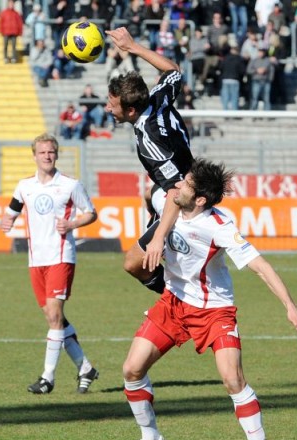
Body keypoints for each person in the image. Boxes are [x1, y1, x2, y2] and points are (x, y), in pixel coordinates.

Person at [117, 157, 297, 440]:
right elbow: (159, 201)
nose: (177, 186)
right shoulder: (171, 198)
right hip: (174, 303)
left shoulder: (219, 226)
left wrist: (290, 307)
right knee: (131, 369)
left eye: (186, 184)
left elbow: (260, 266)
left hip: (214, 310)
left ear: (201, 200)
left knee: (232, 379)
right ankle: (151, 438)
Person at [0, 134, 99, 395]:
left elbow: (91, 212)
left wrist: (73, 224)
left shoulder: (70, 185)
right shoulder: (24, 186)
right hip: (36, 259)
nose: (47, 156)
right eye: (42, 152)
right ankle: (85, 367)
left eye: (51, 152)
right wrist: (6, 221)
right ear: (34, 155)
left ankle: (47, 377)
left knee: (54, 316)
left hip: (60, 256)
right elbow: (11, 210)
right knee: (53, 317)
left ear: (56, 154)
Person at [104, 26, 193, 295]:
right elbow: (174, 71)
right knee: (148, 193)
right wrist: (132, 47)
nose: (108, 108)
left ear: (131, 110)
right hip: (186, 174)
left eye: (113, 105)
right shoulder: (157, 98)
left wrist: (157, 237)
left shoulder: (149, 141)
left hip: (188, 199)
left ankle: (177, 300)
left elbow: (178, 192)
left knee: (133, 263)